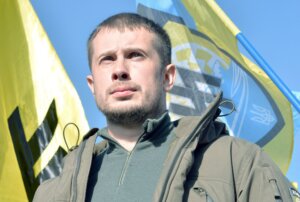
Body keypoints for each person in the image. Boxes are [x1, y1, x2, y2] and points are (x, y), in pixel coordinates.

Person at [33, 13, 298, 202]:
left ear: (167, 76)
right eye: (107, 59)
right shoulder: (51, 192)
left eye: (135, 55)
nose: (120, 71)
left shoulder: (236, 161)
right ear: (92, 84)